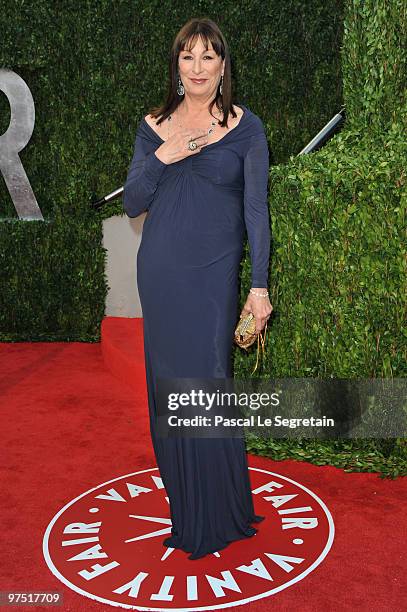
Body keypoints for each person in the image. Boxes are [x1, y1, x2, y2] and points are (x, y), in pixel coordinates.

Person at [123, 17, 273, 560]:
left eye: (208, 56)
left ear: (223, 65)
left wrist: (258, 287)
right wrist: (165, 154)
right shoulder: (152, 126)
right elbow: (132, 202)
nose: (197, 68)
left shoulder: (247, 128)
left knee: (209, 381)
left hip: (212, 276)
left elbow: (256, 212)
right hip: (160, 271)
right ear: (176, 65)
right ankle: (189, 509)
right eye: (187, 56)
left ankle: (223, 506)